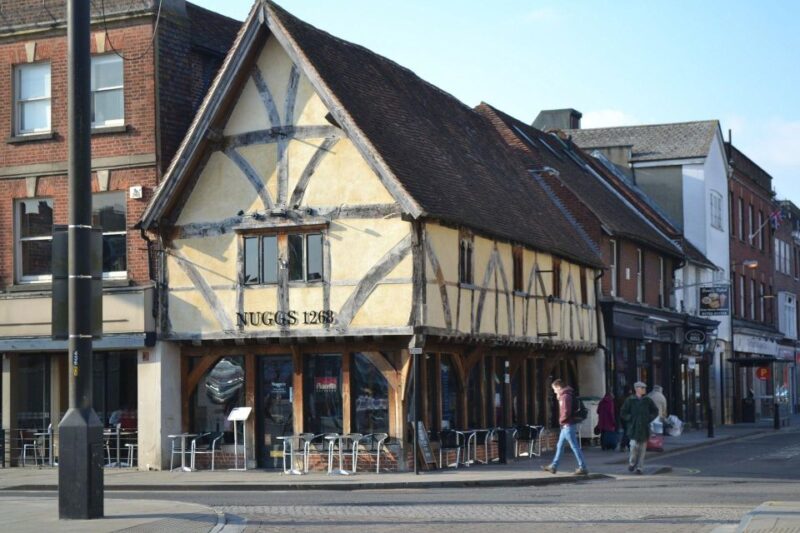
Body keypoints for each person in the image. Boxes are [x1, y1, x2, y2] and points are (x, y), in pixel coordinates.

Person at [542, 379, 588, 475]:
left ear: (559, 387)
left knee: (574, 447)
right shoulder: (566, 395)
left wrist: (561, 420)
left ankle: (583, 467)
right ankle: (554, 466)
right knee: (560, 446)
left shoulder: (565, 396)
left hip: (567, 425)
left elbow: (566, 411)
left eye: (554, 389)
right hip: (566, 426)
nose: (554, 391)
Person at [620, 381, 659, 475]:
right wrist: (630, 418)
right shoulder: (630, 400)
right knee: (633, 447)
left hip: (644, 428)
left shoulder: (647, 400)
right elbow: (623, 412)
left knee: (642, 450)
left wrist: (649, 418)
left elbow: (655, 410)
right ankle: (632, 463)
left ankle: (639, 468)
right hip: (633, 428)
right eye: (643, 388)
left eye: (644, 388)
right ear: (637, 389)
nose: (644, 389)